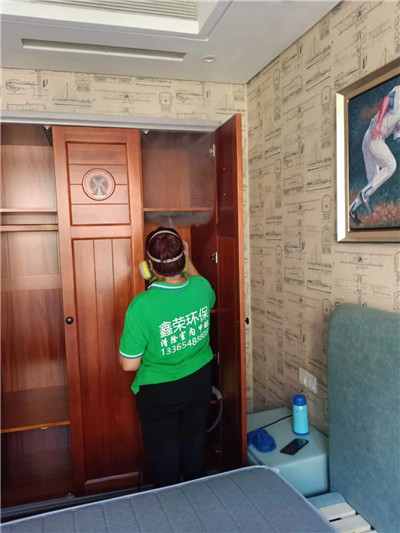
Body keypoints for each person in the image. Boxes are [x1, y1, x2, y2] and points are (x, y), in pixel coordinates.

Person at [119, 227, 215, 488]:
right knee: (194, 444)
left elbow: (129, 364)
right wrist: (188, 258)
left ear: (149, 266)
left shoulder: (141, 305)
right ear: (183, 258)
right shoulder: (202, 288)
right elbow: (198, 282)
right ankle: (199, 500)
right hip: (199, 381)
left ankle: (169, 506)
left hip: (159, 391)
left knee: (165, 456)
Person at [349, 85, 400, 224]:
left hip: (369, 138)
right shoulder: (399, 91)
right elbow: (386, 100)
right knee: (391, 165)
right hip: (374, 137)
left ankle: (352, 208)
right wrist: (379, 124)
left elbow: (398, 137)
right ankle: (364, 195)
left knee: (373, 182)